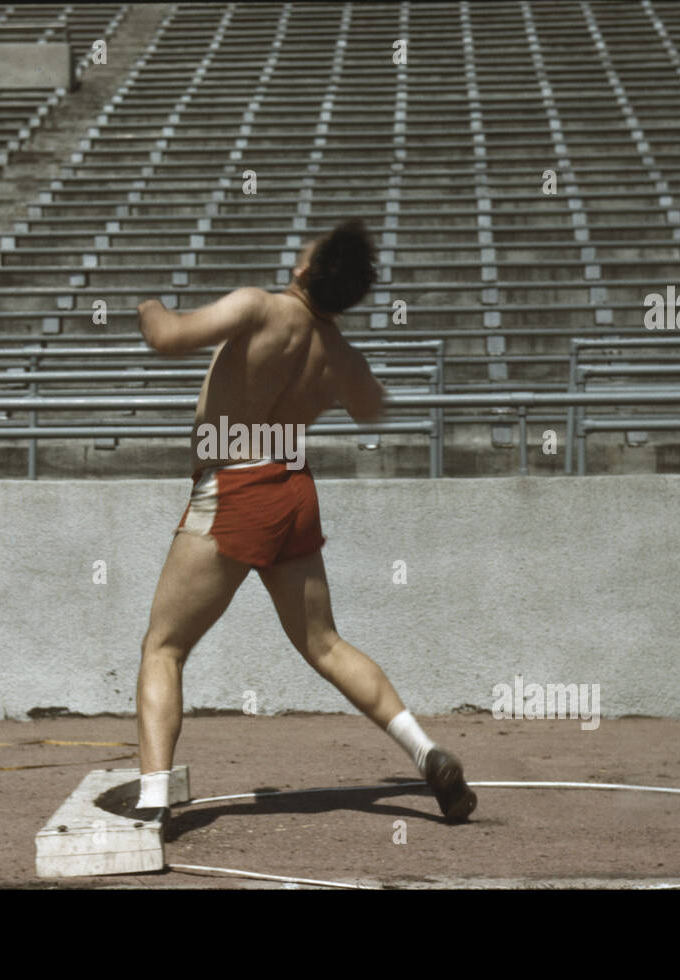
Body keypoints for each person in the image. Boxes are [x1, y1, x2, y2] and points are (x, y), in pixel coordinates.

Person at [130, 218, 476, 827]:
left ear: (303, 270)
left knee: (164, 646)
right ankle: (427, 754)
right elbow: (372, 407)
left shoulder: (257, 307)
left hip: (234, 484)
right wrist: (330, 365)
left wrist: (146, 301)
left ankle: (154, 802)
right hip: (292, 486)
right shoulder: (340, 354)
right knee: (325, 643)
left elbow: (166, 337)